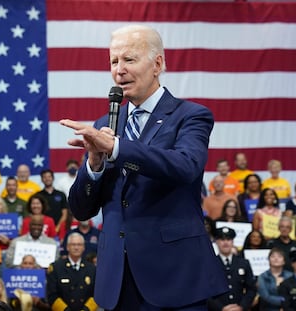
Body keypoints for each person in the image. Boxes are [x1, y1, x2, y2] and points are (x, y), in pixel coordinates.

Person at [59, 24, 227, 310]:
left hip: (174, 279)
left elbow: (185, 166)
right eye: (114, 61)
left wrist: (116, 148)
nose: (119, 70)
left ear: (157, 64)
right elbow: (82, 210)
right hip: (117, 282)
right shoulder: (104, 125)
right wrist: (94, 164)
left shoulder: (191, 116)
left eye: (129, 59)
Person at [207, 227, 257, 311]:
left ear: (233, 242)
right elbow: (206, 291)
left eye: (228, 239)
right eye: (222, 240)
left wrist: (241, 307)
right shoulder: (209, 264)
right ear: (216, 242)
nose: (226, 243)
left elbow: (251, 289)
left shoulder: (244, 263)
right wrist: (221, 308)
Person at [47, 232, 98, 311]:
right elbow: (52, 295)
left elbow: (96, 295)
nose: (76, 247)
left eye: (79, 244)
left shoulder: (91, 269)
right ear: (67, 247)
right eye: (73, 244)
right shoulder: (56, 267)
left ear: (83, 247)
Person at [37, 169, 68, 241]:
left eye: (49, 176)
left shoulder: (61, 194)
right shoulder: (38, 195)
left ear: (53, 178)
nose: (47, 179)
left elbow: (65, 214)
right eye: (45, 177)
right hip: (43, 229)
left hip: (59, 229)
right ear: (42, 179)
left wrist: (57, 228)